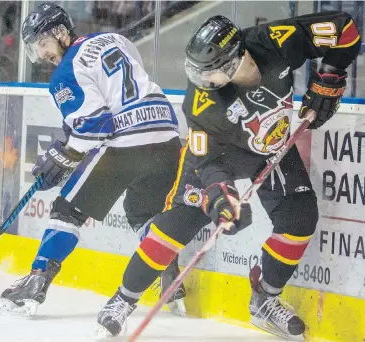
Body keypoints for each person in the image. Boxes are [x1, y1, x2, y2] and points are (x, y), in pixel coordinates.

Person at [95, 12, 361, 340]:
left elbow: (345, 29)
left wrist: (331, 75)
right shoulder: (200, 103)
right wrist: (221, 195)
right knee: (180, 222)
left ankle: (265, 298)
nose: (202, 81)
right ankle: (123, 299)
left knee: (300, 217)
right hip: (219, 158)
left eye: (210, 72)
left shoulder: (275, 41)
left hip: (272, 144)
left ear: (236, 59)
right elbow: (206, 163)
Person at [0, 2, 187, 317]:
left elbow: (97, 123)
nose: (42, 54)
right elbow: (117, 90)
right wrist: (69, 141)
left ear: (60, 32)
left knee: (67, 210)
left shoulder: (63, 73)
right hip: (167, 134)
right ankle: (170, 277)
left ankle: (37, 281)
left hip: (128, 141)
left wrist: (63, 156)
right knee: (143, 211)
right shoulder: (115, 39)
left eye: (42, 43)